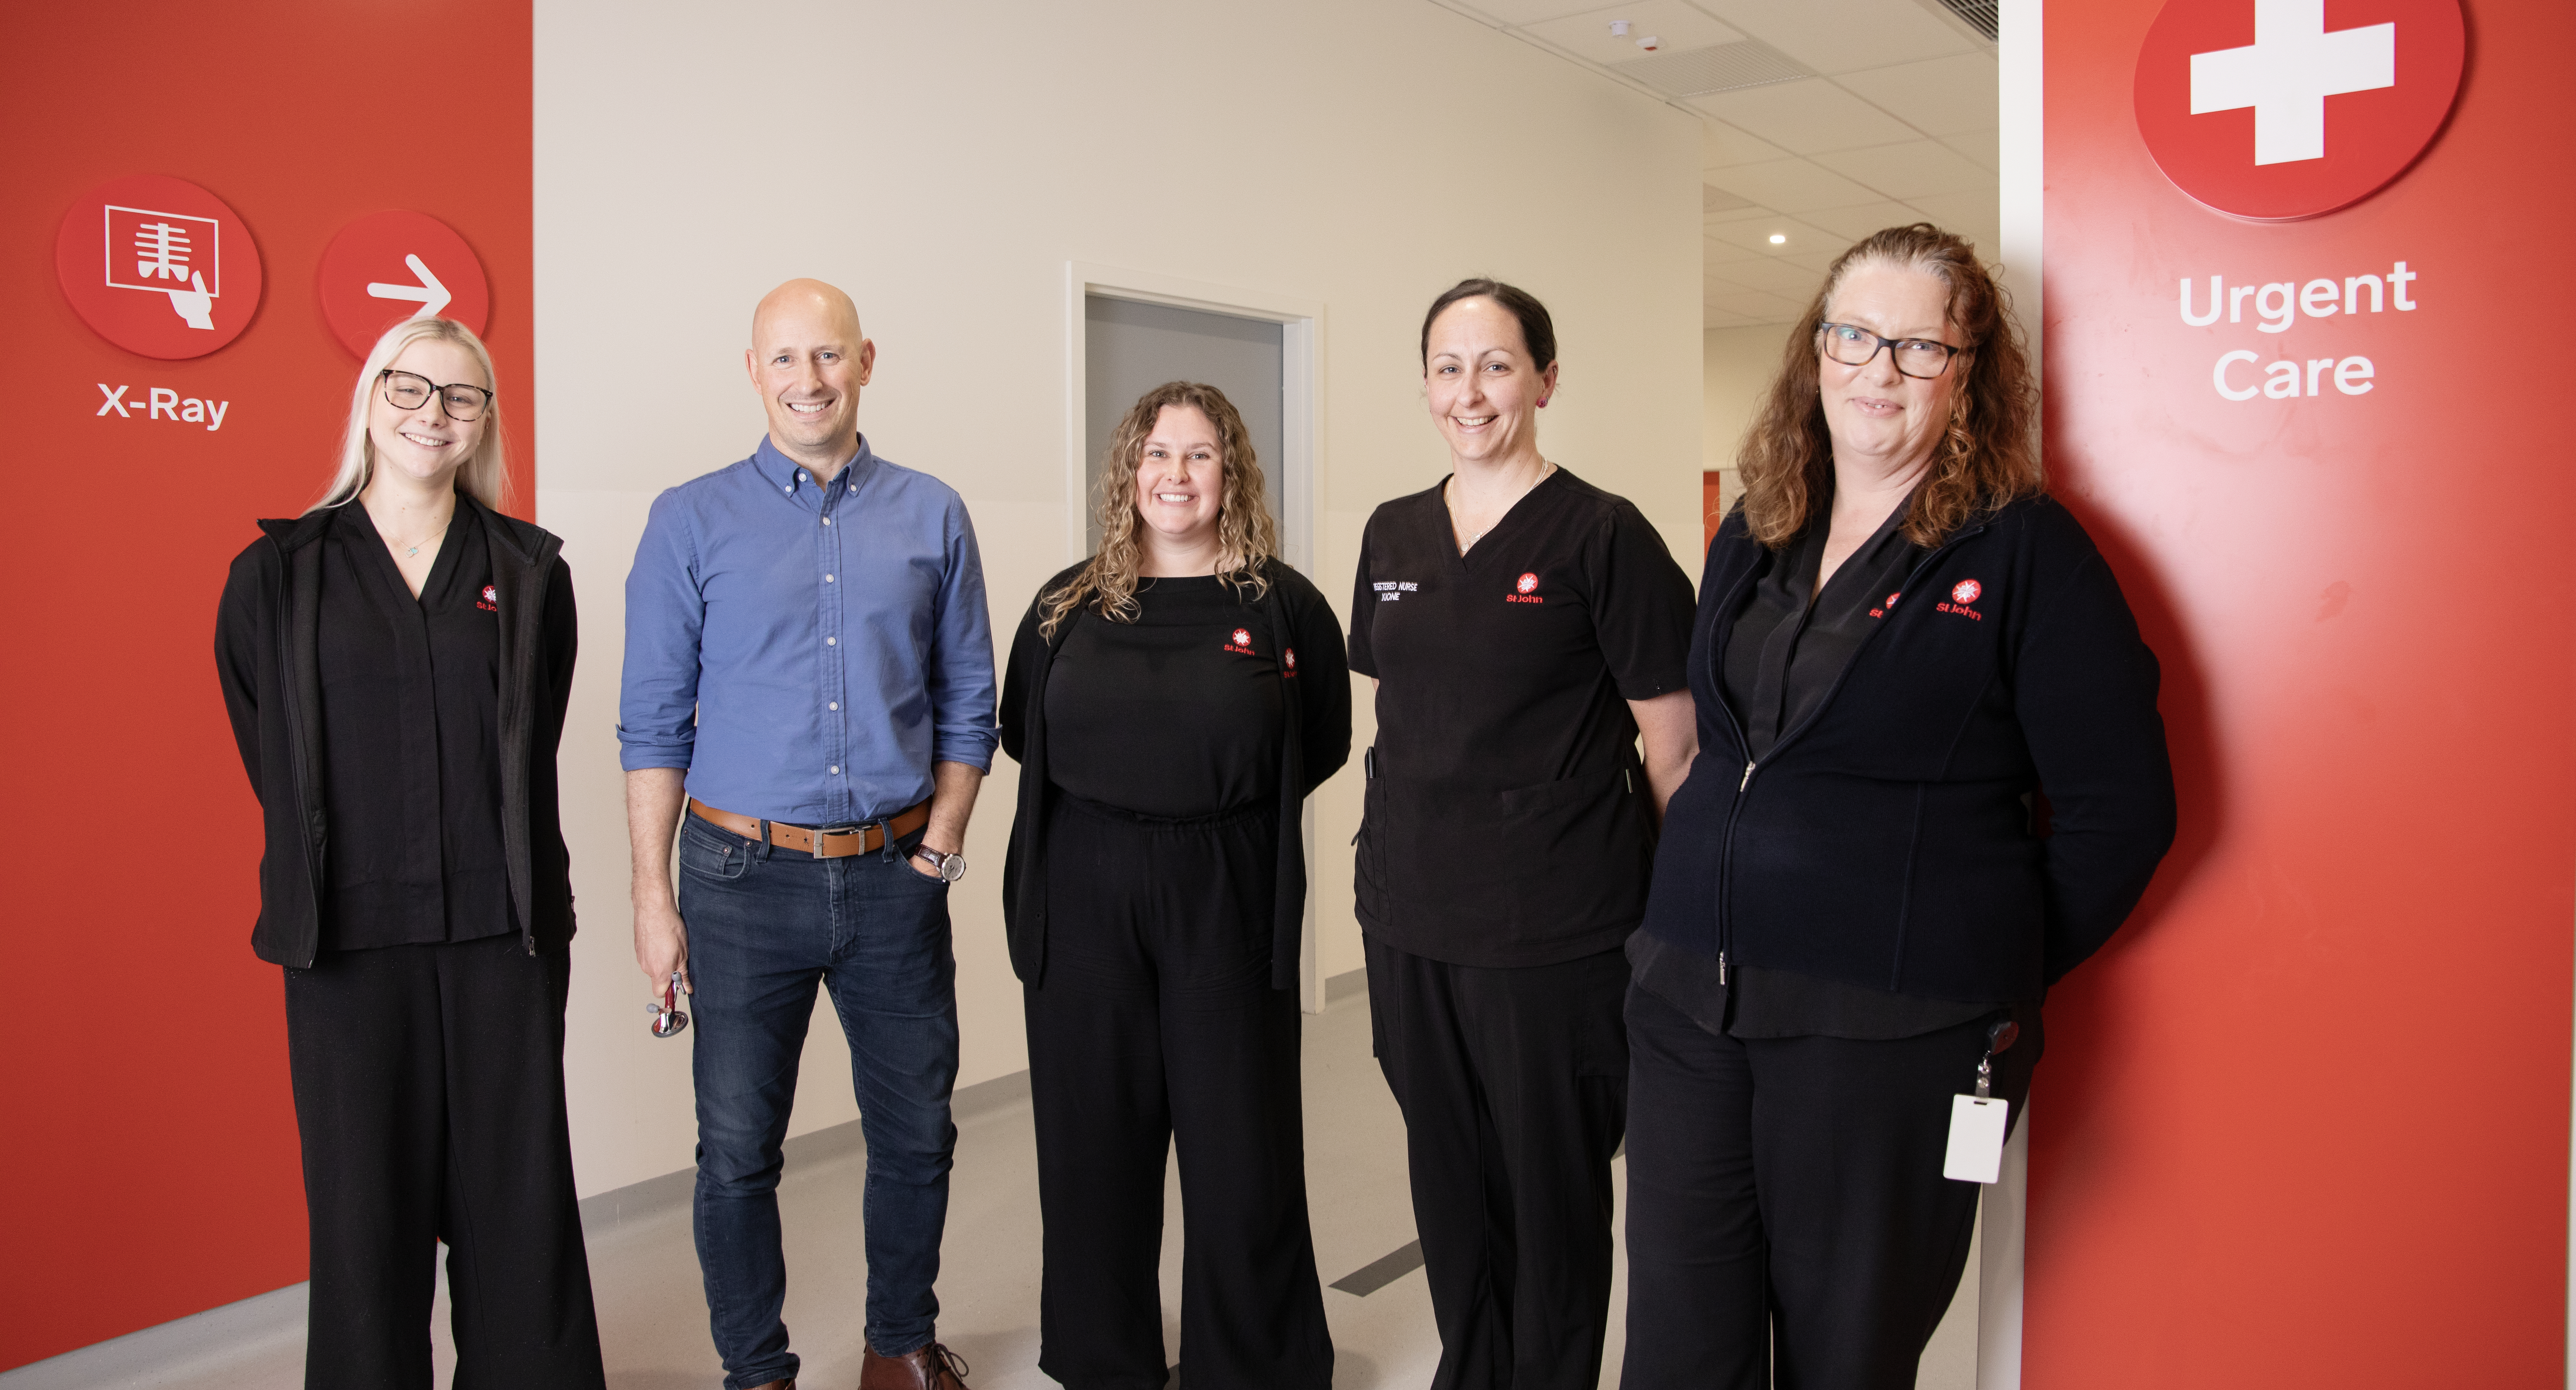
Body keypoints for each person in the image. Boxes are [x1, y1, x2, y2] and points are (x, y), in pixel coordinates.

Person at [1618, 224, 2178, 1389]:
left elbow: (2122, 812)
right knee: (1679, 1343)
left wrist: (1967, 964)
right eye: (1853, 336)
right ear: (1813, 352)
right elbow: (1726, 746)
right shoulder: (1757, 527)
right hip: (1688, 1013)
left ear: (1971, 373)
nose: (1877, 370)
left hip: (1888, 1039)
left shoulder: (2028, 553)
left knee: (1847, 1353)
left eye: (1920, 347)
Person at [619, 279, 996, 1390]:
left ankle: (897, 1345)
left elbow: (969, 700)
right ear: (753, 371)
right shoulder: (689, 518)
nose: (808, 381)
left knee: (919, 1132)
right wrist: (653, 895)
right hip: (736, 876)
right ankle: (757, 1371)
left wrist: (942, 845)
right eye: (784, 360)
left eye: (828, 356)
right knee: (738, 1153)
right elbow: (651, 723)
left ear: (866, 361)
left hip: (892, 873)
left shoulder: (933, 512)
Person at [215, 316, 603, 1388]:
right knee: (361, 1213)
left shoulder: (528, 572)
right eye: (412, 387)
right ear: (370, 398)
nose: (434, 413)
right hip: (345, 942)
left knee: (514, 1206)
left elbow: (535, 733)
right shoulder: (278, 574)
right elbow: (270, 744)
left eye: (462, 396)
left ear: (485, 419)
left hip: (503, 935)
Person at [1347, 279, 1699, 1390]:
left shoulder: (1606, 535)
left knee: (1551, 1188)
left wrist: (1663, 925)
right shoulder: (1393, 531)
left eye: (1497, 365)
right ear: (1424, 384)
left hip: (1556, 924)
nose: (1471, 391)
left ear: (1546, 378)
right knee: (1448, 1173)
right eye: (1449, 367)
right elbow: (1402, 711)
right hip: (1412, 914)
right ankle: (1474, 1367)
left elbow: (1675, 751)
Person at [999, 382, 1351, 1390]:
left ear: (1231, 472)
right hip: (1085, 892)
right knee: (1092, 1142)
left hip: (1227, 891)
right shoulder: (1067, 604)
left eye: (1200, 455)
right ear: (1128, 470)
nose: (1176, 475)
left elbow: (1318, 738)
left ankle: (1251, 1365)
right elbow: (1028, 732)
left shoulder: (1286, 607)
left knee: (1241, 1147)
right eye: (1157, 453)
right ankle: (1103, 1357)